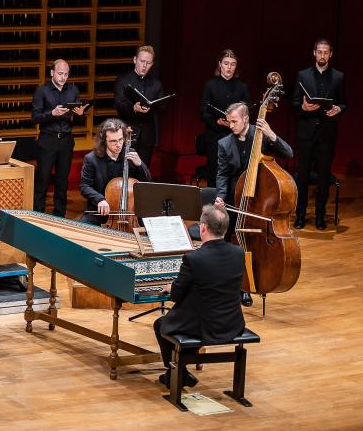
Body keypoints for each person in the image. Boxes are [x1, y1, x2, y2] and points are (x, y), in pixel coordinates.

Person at [153, 204, 245, 389]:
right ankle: (180, 372)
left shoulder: (193, 258)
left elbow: (176, 295)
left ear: (203, 227)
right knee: (187, 320)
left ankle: (175, 373)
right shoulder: (238, 253)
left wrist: (171, 287)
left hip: (204, 326)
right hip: (231, 323)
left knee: (161, 324)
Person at [213, 102, 292, 307]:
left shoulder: (261, 136)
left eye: (234, 121)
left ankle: (249, 284)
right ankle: (237, 285)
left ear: (246, 119)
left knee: (255, 243)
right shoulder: (224, 144)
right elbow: (222, 174)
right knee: (233, 243)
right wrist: (221, 196)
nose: (230, 125)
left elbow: (289, 153)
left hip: (260, 199)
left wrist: (271, 134)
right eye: (229, 121)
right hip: (236, 198)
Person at [292, 39, 346, 230]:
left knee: (323, 177)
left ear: (330, 54)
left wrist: (338, 109)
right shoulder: (303, 75)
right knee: (302, 177)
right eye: (319, 52)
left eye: (326, 52)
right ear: (314, 53)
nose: (322, 55)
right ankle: (300, 215)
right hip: (306, 134)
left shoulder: (338, 76)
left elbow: (343, 103)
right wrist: (303, 107)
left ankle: (320, 216)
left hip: (326, 134)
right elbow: (295, 102)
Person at [31, 59, 87, 216]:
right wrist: (52, 113)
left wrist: (80, 115)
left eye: (66, 74)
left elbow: (79, 120)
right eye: (60, 73)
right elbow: (35, 117)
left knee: (62, 181)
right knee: (42, 180)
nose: (63, 77)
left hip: (66, 140)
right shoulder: (42, 90)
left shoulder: (73, 90)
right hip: (48, 139)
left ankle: (60, 215)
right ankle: (38, 214)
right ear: (52, 73)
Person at [79, 118, 151, 225]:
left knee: (148, 231)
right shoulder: (91, 159)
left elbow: (146, 182)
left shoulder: (131, 154)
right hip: (100, 211)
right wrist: (99, 199)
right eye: (113, 141)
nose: (118, 144)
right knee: (82, 229)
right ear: (104, 141)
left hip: (128, 212)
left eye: (121, 139)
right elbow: (85, 186)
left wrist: (140, 165)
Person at [199, 49, 251, 181]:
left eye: (233, 64)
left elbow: (248, 112)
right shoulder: (210, 85)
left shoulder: (242, 87)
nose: (229, 67)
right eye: (226, 63)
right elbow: (203, 112)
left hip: (236, 137)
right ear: (220, 64)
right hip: (215, 136)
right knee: (214, 174)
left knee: (236, 174)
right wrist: (217, 122)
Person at [113, 45, 165, 168]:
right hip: (127, 133)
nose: (144, 65)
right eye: (142, 61)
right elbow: (119, 104)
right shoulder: (123, 80)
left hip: (147, 136)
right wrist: (133, 108)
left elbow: (162, 107)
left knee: (143, 172)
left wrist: (151, 107)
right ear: (135, 60)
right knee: (125, 171)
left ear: (152, 64)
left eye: (148, 63)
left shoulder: (156, 84)